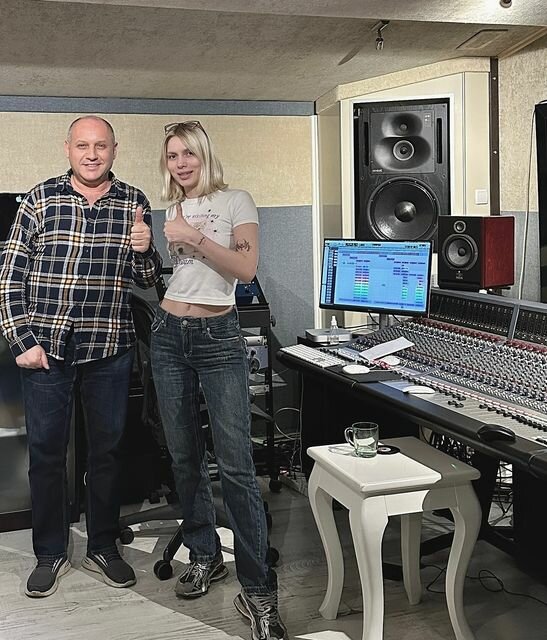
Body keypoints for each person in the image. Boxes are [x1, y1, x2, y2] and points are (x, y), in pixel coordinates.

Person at [0, 116, 163, 598]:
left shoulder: (133, 202)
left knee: (107, 452)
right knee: (46, 454)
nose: (92, 155)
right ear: (68, 148)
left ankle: (103, 546)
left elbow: (147, 279)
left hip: (108, 348)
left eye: (101, 146)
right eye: (83, 146)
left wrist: (145, 250)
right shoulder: (40, 198)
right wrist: (21, 341)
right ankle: (50, 552)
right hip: (46, 349)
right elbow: (8, 276)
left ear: (115, 149)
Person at [150, 121, 287, 640]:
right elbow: (181, 275)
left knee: (236, 465)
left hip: (217, 335)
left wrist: (195, 238)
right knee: (185, 457)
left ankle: (259, 592)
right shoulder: (172, 209)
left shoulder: (236, 201)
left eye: (188, 153)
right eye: (172, 156)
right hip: (168, 335)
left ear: (205, 155)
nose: (181, 163)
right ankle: (205, 555)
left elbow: (246, 269)